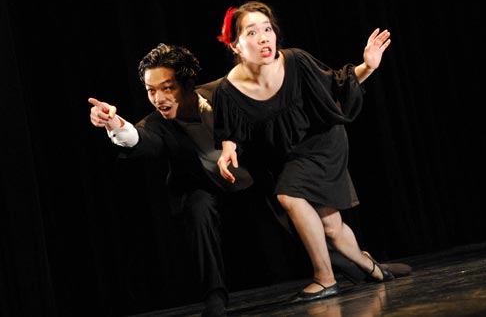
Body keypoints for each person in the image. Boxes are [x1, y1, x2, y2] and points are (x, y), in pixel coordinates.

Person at [88, 43, 409, 316]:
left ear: (186, 83)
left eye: (167, 87)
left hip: (256, 176)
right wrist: (115, 125)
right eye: (151, 91)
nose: (159, 98)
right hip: (207, 186)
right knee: (197, 209)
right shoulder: (157, 124)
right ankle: (214, 298)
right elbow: (139, 139)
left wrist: (365, 67)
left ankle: (363, 267)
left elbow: (293, 98)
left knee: (309, 221)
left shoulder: (224, 94)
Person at [212, 0, 396, 302]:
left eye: (268, 29)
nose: (264, 38)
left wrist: (368, 66)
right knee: (332, 227)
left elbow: (337, 87)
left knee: (288, 195)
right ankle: (371, 267)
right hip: (288, 155)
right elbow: (230, 131)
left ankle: (325, 278)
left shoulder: (296, 62)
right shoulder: (227, 90)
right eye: (252, 32)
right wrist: (227, 150)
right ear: (235, 45)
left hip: (323, 142)